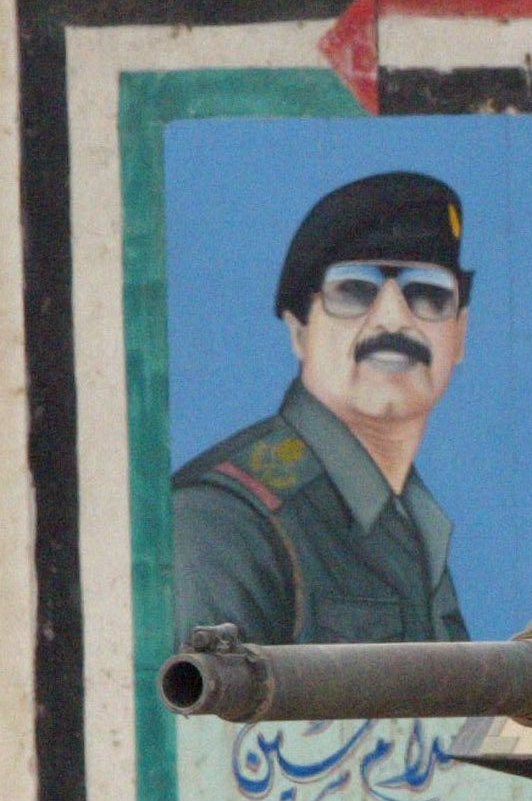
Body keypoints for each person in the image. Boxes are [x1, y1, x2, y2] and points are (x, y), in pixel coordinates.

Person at [172, 171, 476, 647]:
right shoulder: (222, 521)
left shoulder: (416, 525)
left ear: (459, 335)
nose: (394, 318)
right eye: (354, 290)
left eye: (428, 293)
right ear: (299, 331)